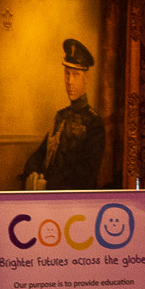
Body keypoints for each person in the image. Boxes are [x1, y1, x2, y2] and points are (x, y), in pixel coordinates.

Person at [20, 38, 108, 191]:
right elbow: (40, 154)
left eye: (76, 74)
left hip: (73, 203)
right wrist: (32, 173)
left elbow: (85, 176)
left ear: (86, 78)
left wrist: (48, 186)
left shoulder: (94, 124)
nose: (70, 82)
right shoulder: (60, 116)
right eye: (67, 74)